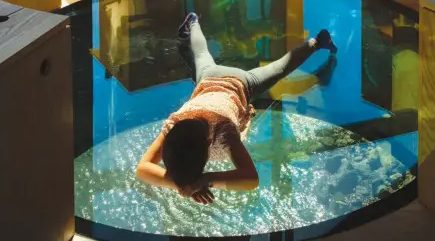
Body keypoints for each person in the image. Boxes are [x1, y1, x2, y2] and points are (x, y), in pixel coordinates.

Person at [136, 12, 337, 204]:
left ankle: (317, 43)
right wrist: (185, 185)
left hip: (241, 84)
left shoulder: (224, 130)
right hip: (209, 77)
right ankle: (193, 22)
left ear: (209, 142)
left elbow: (251, 179)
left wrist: (201, 181)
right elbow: (142, 169)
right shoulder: (175, 123)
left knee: (278, 69)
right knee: (202, 54)